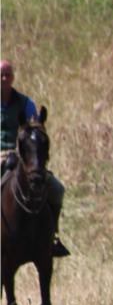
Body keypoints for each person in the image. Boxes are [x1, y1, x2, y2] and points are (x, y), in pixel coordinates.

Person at [0, 61, 67, 257]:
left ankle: (52, 236)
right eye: (1, 74)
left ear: (13, 77)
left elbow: (35, 127)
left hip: (22, 156)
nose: (4, 78)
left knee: (56, 189)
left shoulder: (25, 103)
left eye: (8, 74)